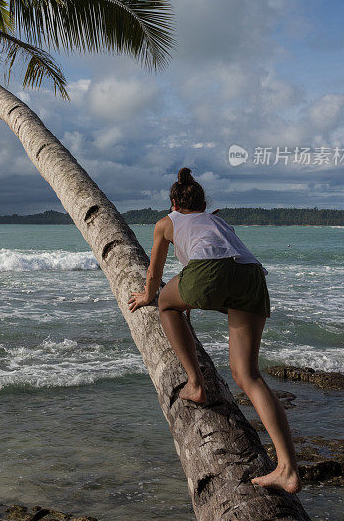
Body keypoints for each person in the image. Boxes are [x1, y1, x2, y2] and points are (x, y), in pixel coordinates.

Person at [127, 167, 302, 494]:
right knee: (248, 375)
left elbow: (155, 274)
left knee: (167, 304)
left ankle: (195, 384)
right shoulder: (219, 221)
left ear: (173, 204)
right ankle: (288, 469)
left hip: (211, 274)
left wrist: (149, 296)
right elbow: (217, 253)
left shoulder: (167, 223)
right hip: (252, 277)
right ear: (203, 205)